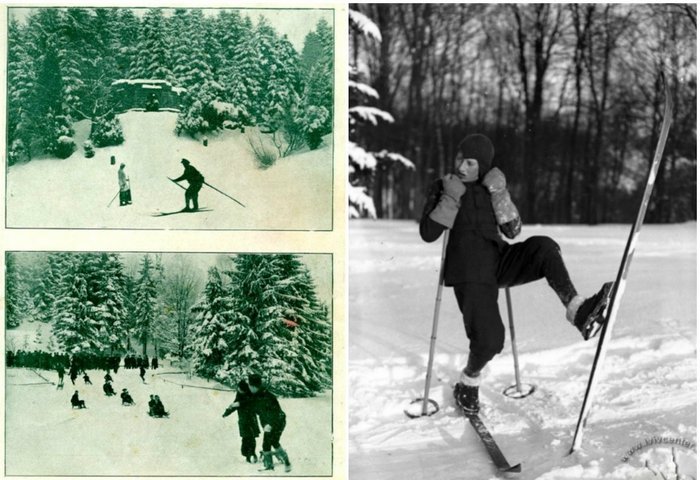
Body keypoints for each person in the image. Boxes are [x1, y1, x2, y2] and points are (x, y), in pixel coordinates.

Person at [419, 133, 612, 416]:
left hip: (499, 260)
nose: (462, 166)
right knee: (490, 340)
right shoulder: (443, 186)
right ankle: (468, 381)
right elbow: (428, 233)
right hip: (468, 271)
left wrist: (500, 194)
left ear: (483, 165)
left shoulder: (491, 187)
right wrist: (449, 197)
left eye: (470, 162)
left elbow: (513, 231)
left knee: (544, 247)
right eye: (460, 159)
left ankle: (577, 309)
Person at [248, 374, 291, 472]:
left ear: (254, 386)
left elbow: (275, 411)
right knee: (274, 442)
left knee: (267, 443)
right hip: (274, 421)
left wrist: (269, 424)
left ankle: (269, 465)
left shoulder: (266, 397)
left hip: (277, 421)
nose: (249, 388)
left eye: (249, 386)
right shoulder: (258, 395)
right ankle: (286, 461)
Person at [223, 380, 261, 464]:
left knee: (251, 438)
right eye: (238, 389)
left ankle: (251, 454)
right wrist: (227, 412)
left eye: (240, 389)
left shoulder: (251, 394)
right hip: (243, 420)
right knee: (245, 438)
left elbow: (251, 402)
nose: (238, 390)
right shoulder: (239, 394)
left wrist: (239, 404)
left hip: (251, 420)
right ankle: (247, 454)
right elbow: (234, 404)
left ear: (244, 390)